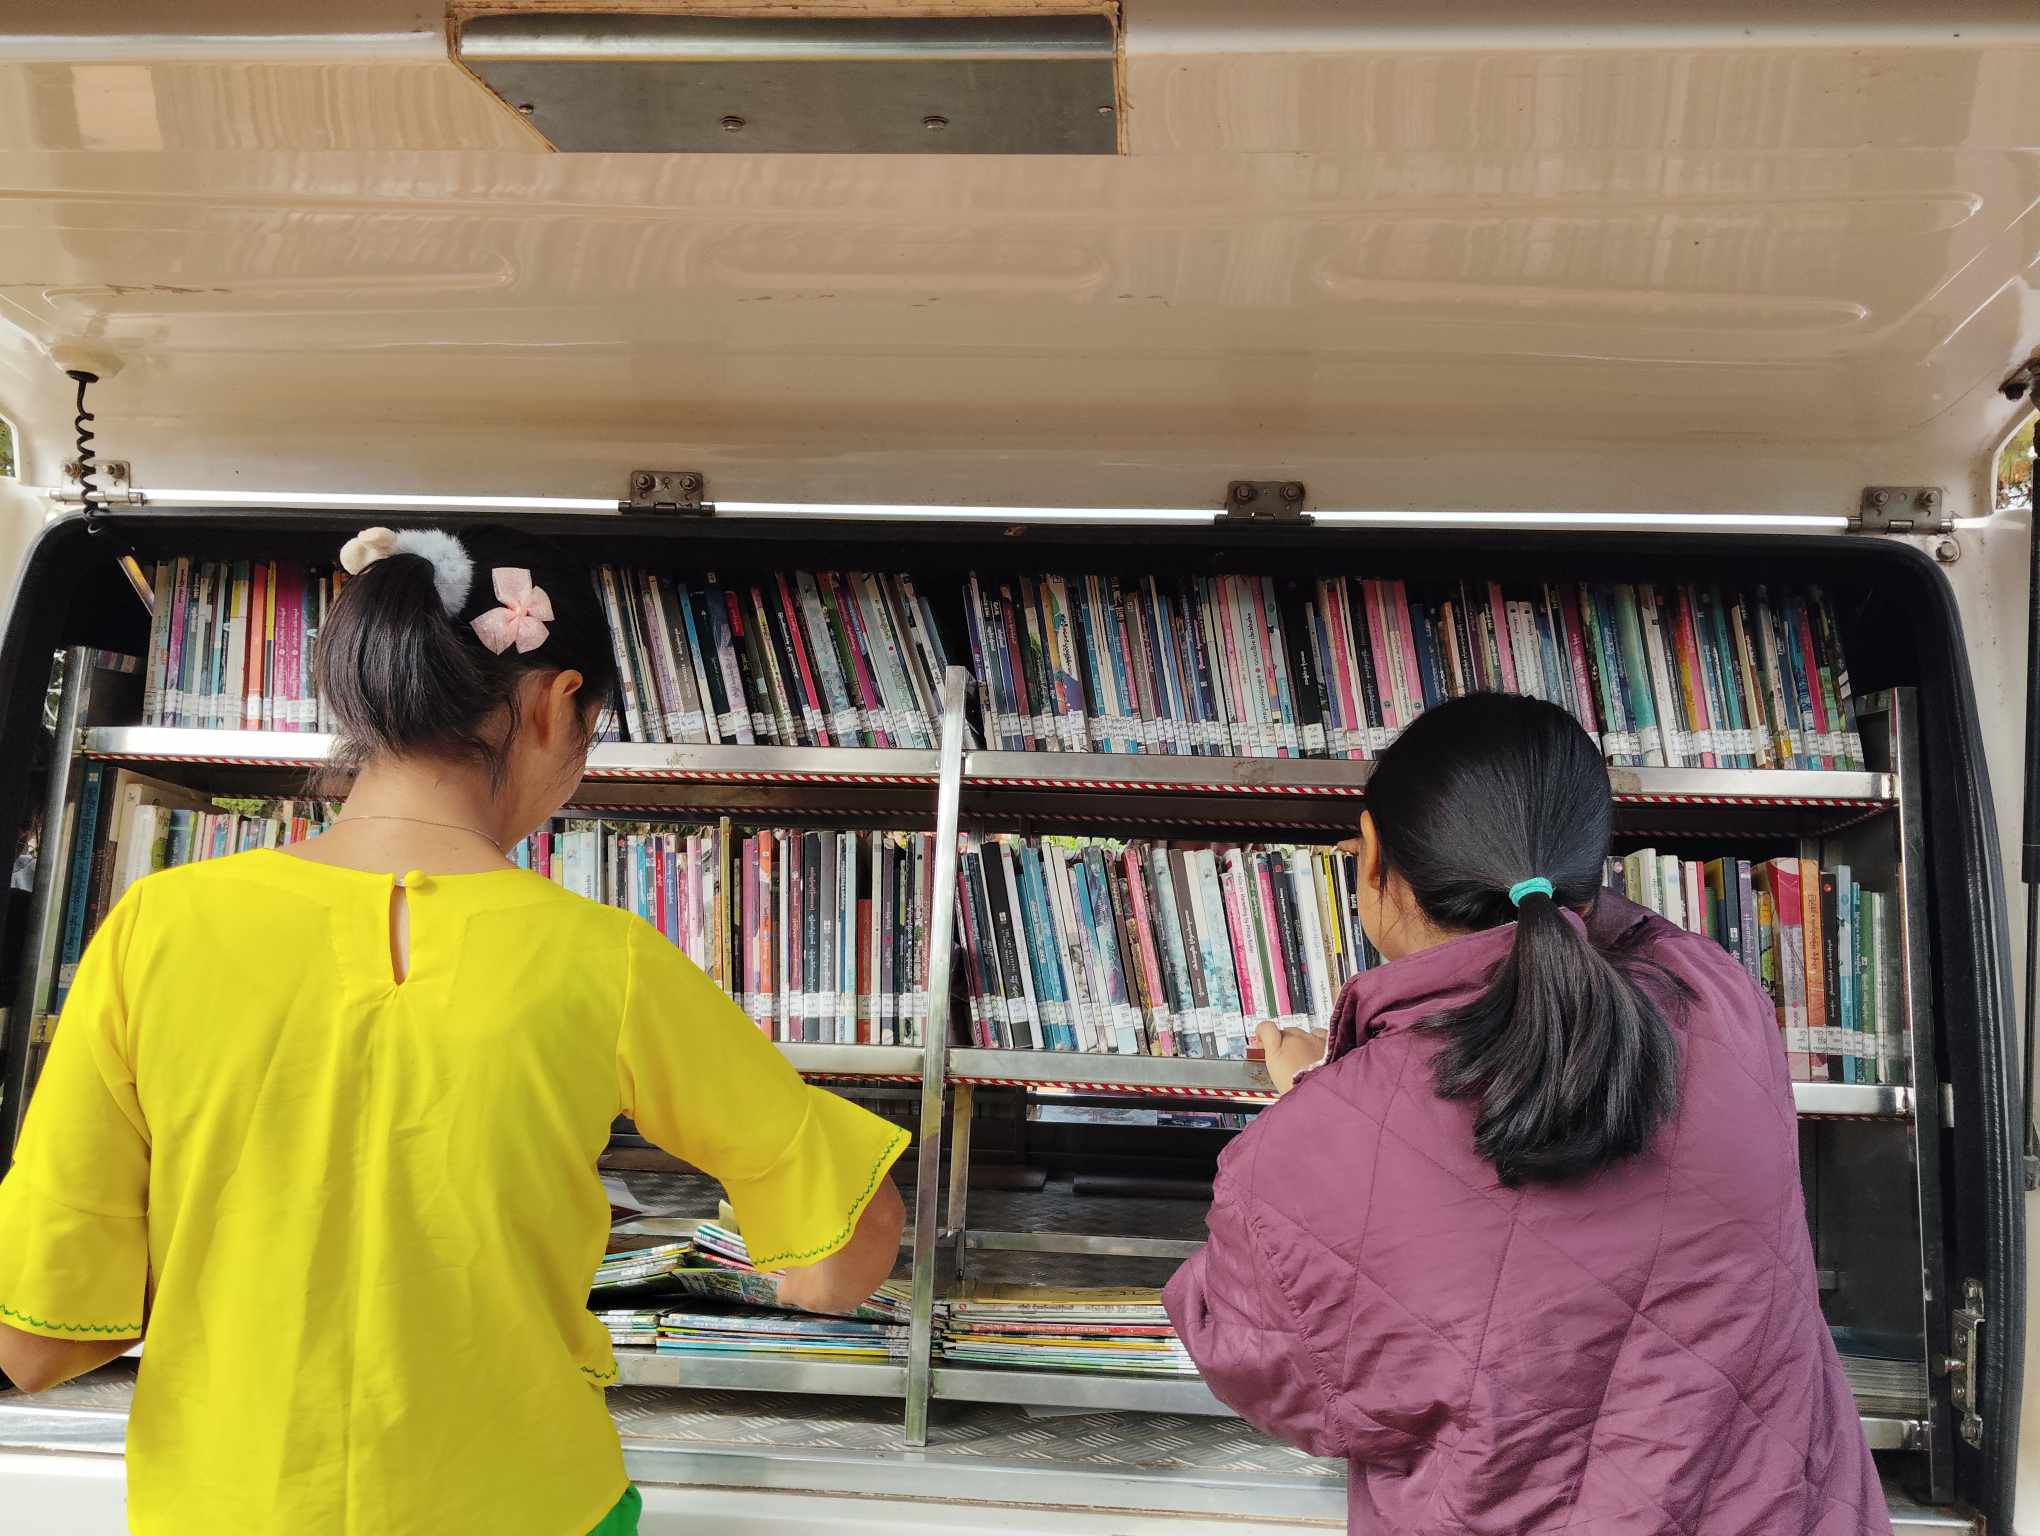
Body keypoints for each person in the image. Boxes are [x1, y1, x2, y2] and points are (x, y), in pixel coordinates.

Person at [0, 526, 909, 1536]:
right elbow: (847, 1248)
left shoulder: (157, 930)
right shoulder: (607, 958)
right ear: (557, 702)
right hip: (528, 1506)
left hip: (225, 1507)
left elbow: (36, 1338)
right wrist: (798, 1277)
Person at [1163, 692, 1887, 1535]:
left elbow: (1261, 1366)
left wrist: (1322, 1099)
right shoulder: (1720, 997)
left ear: (1373, 858)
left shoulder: (1305, 1150)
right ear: (1588, 862)